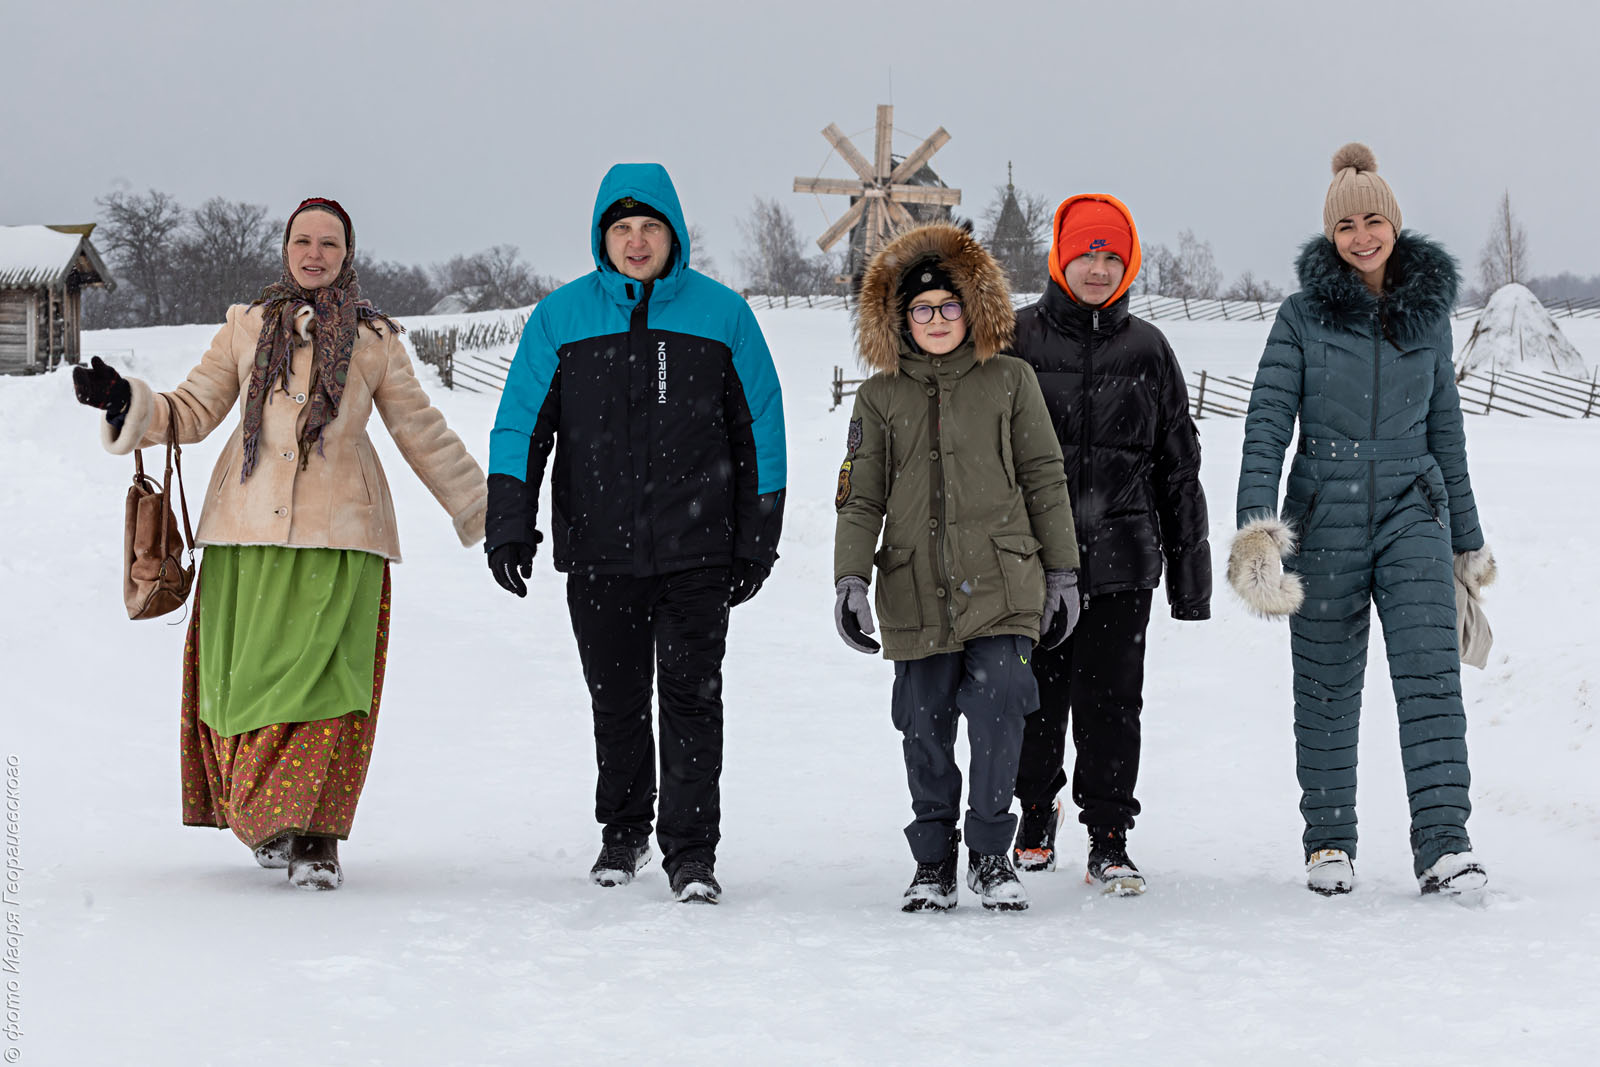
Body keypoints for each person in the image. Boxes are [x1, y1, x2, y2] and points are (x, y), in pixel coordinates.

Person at [73, 197, 487, 890]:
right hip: (245, 536)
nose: (315, 254)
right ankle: (270, 819)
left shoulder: (375, 340)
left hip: (343, 538)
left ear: (347, 254)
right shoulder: (246, 326)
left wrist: (482, 509)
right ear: (286, 249)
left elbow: (422, 430)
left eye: (330, 243)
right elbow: (192, 410)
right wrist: (125, 400)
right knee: (245, 686)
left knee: (329, 683)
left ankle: (315, 836)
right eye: (303, 241)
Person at [486, 163, 785, 905]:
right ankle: (623, 831)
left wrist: (757, 537)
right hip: (599, 549)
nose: (637, 241)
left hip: (697, 549)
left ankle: (692, 852)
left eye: (650, 226)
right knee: (616, 700)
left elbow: (761, 428)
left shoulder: (723, 315)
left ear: (674, 233)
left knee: (691, 700)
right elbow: (521, 423)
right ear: (603, 237)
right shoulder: (560, 318)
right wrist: (509, 520)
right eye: (622, 228)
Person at [1228, 144, 1493, 897]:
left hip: (1414, 508)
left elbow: (1447, 432)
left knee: (1430, 676)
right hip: (1324, 512)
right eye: (1346, 225)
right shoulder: (1301, 316)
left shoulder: (1428, 315)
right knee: (1325, 686)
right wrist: (1257, 530)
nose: (1361, 236)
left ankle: (1444, 846)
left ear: (1394, 225)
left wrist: (1467, 540)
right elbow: (1267, 423)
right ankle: (1328, 843)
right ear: (1331, 235)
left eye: (1373, 220)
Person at [833, 222, 1078, 912]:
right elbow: (860, 496)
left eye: (949, 305)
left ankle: (992, 854)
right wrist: (850, 578)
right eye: (922, 308)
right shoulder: (880, 397)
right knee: (925, 722)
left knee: (1002, 706)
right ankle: (933, 860)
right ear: (899, 318)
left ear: (973, 309)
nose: (937, 319)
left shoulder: (1011, 380)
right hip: (914, 585)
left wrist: (1062, 572)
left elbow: (1045, 477)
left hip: (1003, 582)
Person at [1008, 194, 1211, 896]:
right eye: (1086, 254)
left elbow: (1178, 467)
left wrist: (1189, 577)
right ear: (1059, 258)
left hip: (1124, 559)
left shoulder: (1149, 350)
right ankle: (1035, 810)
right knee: (1032, 697)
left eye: (1113, 257)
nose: (1098, 269)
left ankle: (1110, 835)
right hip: (1033, 561)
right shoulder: (1016, 338)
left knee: (1113, 704)